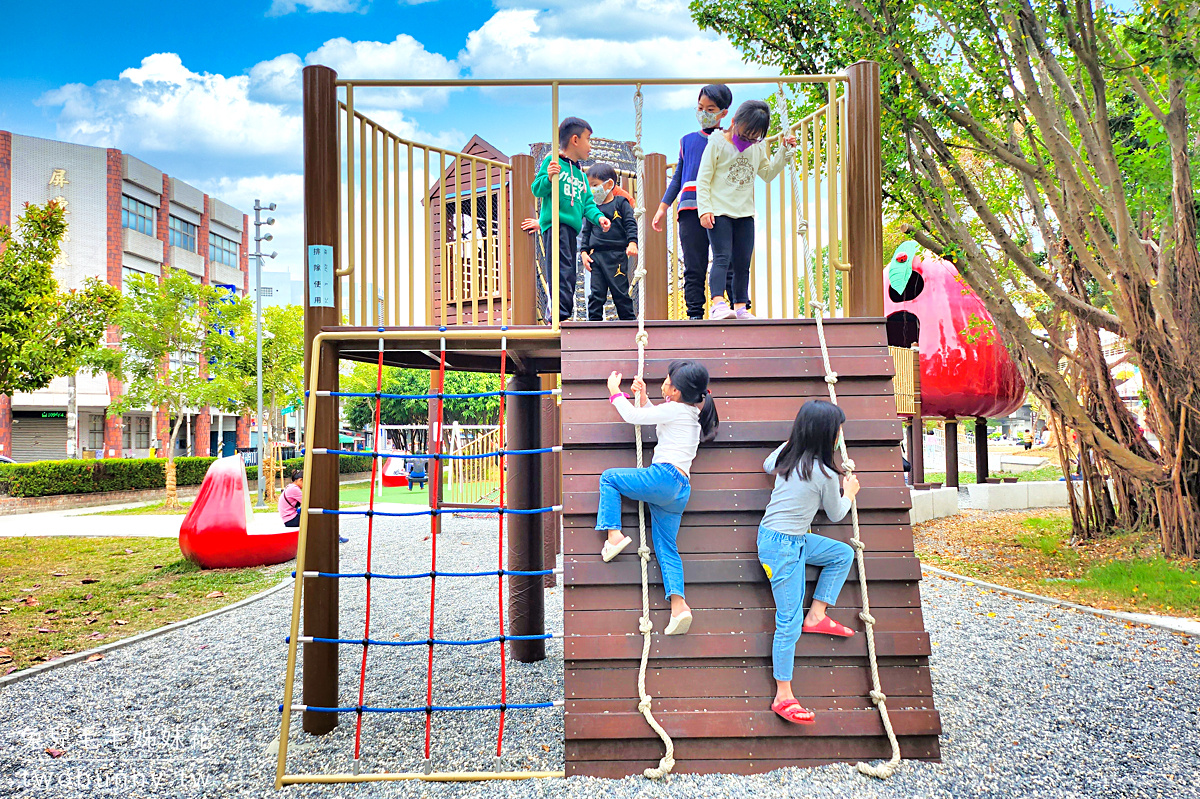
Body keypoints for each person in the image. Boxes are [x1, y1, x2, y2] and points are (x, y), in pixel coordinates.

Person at [596, 361, 719, 635]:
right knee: (666, 548)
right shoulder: (690, 413)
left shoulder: (675, 409)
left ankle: (614, 535)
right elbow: (657, 417)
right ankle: (679, 606)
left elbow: (633, 417)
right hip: (680, 489)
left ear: (674, 391)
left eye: (666, 380)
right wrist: (643, 398)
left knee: (609, 478)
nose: (663, 382)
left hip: (663, 478)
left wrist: (615, 392)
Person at [758, 400, 860, 725]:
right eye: (838, 429)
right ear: (828, 434)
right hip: (783, 549)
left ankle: (817, 615)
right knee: (788, 621)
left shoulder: (787, 456)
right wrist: (850, 491)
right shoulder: (827, 474)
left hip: (787, 539)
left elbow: (766, 464)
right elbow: (836, 513)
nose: (841, 434)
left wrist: (794, 440)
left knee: (842, 554)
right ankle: (783, 695)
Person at [696, 100, 795, 320]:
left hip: (745, 214)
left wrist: (783, 152)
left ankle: (740, 307)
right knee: (722, 257)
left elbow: (767, 174)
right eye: (745, 135)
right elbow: (703, 179)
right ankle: (718, 304)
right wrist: (704, 209)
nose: (748, 141)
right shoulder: (717, 144)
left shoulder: (756, 148)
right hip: (719, 210)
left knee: (743, 262)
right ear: (733, 123)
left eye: (754, 137)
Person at [652, 84, 735, 320]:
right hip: (690, 209)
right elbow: (678, 177)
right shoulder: (687, 141)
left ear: (723, 113)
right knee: (694, 265)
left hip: (720, 209)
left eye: (711, 109)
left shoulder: (730, 140)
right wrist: (662, 208)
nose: (704, 113)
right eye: (700, 108)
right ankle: (695, 314)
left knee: (727, 260)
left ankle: (735, 307)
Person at [531, 117, 611, 323]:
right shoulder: (553, 162)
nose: (591, 145)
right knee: (558, 270)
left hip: (571, 230)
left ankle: (563, 313)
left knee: (569, 273)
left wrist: (599, 217)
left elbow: (588, 204)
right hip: (555, 225)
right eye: (588, 139)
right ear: (575, 140)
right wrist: (548, 177)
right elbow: (537, 189)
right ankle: (557, 314)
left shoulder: (581, 175)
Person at [580, 163, 639, 321]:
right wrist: (584, 252)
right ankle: (594, 327)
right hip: (597, 256)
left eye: (595, 185)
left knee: (620, 293)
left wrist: (632, 243)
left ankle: (628, 324)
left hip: (616, 255)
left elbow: (630, 224)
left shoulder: (621, 203)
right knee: (596, 295)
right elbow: (586, 232)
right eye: (590, 186)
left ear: (609, 184)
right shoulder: (593, 209)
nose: (592, 190)